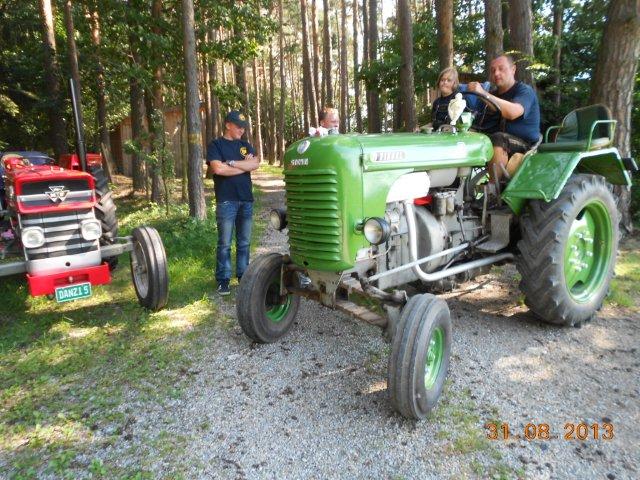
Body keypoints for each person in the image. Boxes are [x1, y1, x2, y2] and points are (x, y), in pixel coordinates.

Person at [206, 111, 260, 296]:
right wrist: (241, 166)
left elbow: (254, 164)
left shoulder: (245, 145)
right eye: (238, 126)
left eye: (244, 127)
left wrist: (230, 163)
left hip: (246, 200)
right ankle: (223, 280)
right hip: (226, 201)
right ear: (228, 125)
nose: (242, 130)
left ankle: (243, 277)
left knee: (244, 243)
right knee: (225, 244)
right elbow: (218, 169)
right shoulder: (216, 145)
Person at [467, 55, 540, 183]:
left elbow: (512, 112)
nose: (496, 73)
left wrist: (483, 93)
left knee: (498, 138)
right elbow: (480, 123)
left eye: (501, 69)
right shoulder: (493, 94)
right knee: (466, 135)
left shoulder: (524, 91)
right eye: (493, 70)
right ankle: (458, 187)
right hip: (500, 140)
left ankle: (493, 191)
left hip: (525, 145)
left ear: (513, 69)